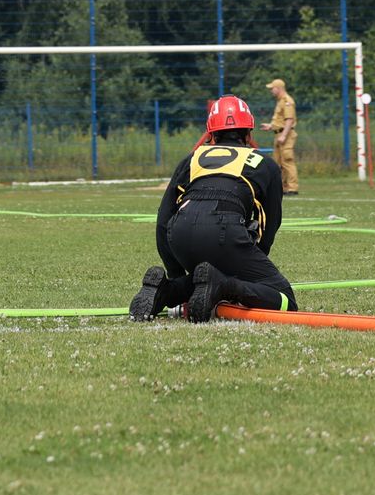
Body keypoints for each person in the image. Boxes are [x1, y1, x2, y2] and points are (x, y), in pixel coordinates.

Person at [128, 94, 296, 322]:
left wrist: (177, 276)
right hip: (224, 231)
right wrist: (252, 261)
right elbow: (271, 222)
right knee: (285, 299)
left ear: (212, 134)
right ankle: (224, 287)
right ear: (249, 133)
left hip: (180, 232)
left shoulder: (192, 158)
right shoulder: (264, 164)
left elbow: (163, 219)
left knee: (211, 274)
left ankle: (166, 291)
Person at [266, 78, 299, 195]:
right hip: (279, 134)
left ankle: (292, 188)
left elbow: (289, 120)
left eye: (272, 88)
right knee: (278, 163)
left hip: (286, 135)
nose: (271, 91)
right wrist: (271, 126)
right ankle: (284, 187)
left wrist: (284, 135)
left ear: (278, 88)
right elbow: (281, 121)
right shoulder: (280, 101)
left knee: (287, 161)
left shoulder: (287, 101)